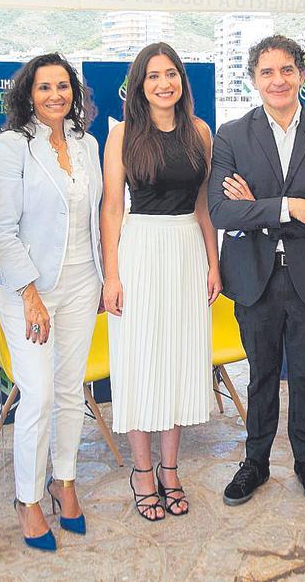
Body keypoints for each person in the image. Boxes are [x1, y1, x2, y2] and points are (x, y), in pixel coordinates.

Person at [208, 34, 305, 507]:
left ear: (302, 75)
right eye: (266, 72)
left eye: (286, 69)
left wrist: (262, 211)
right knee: (261, 375)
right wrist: (292, 207)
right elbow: (223, 213)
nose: (277, 80)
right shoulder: (231, 134)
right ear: (253, 80)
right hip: (254, 279)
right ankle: (256, 462)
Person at [0, 53, 102, 550]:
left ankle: (65, 481)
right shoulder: (11, 146)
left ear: (73, 91)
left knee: (71, 388)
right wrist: (29, 293)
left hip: (82, 281)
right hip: (27, 289)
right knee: (38, 394)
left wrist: (102, 278)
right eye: (43, 87)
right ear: (27, 95)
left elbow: (97, 216)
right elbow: (1, 228)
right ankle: (27, 498)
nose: (55, 95)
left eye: (62, 86)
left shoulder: (87, 144)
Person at [101, 42, 221, 521]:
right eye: (153, 75)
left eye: (171, 74)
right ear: (139, 84)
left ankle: (171, 469)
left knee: (178, 361)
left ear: (181, 81)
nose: (164, 83)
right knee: (141, 360)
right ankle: (144, 471)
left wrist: (214, 263)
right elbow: (112, 208)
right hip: (141, 251)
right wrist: (111, 274)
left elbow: (205, 204)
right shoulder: (123, 134)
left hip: (188, 249)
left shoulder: (200, 131)